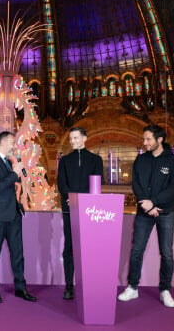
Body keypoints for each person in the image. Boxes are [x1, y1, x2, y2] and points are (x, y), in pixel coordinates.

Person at [117, 124, 174, 308]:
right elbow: (136, 185)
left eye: (148, 139)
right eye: (144, 139)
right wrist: (147, 205)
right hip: (144, 212)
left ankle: (165, 290)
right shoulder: (140, 160)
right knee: (137, 250)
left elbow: (173, 188)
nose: (144, 142)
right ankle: (132, 287)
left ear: (159, 139)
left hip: (165, 212)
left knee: (167, 253)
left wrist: (153, 202)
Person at [0, 131, 37, 303]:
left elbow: (8, 187)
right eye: (13, 143)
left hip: (13, 215)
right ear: (4, 142)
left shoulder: (8, 161)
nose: (15, 146)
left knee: (18, 254)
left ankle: (21, 288)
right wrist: (14, 173)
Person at [57, 126, 103, 300]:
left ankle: (89, 284)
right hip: (70, 209)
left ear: (85, 138)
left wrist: (84, 201)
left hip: (90, 209)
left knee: (89, 248)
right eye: (71, 139)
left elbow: (97, 183)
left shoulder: (95, 160)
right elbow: (62, 183)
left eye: (76, 138)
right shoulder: (65, 160)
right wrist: (70, 198)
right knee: (69, 247)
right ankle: (69, 285)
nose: (72, 141)